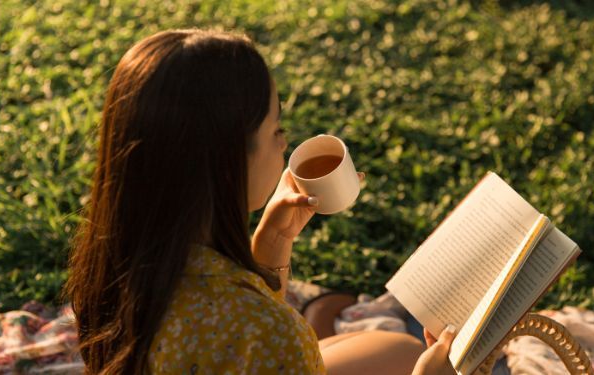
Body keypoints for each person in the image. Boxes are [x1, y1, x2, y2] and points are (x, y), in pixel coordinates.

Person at [64, 28, 457, 374]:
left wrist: (272, 247)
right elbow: (255, 334)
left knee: (395, 351)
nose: (284, 142)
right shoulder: (268, 333)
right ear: (231, 162)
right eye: (275, 129)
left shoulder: (114, 266)